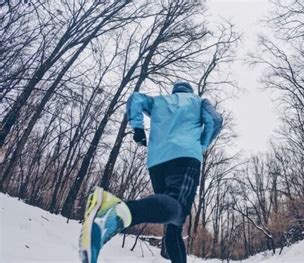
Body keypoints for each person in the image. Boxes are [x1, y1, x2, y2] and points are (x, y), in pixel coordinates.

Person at [79, 80, 223, 263]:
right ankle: (116, 211)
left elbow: (135, 99)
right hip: (185, 157)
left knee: (173, 226)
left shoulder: (159, 101)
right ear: (190, 91)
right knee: (177, 210)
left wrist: (138, 128)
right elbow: (215, 120)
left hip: (157, 162)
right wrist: (202, 143)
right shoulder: (198, 101)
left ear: (175, 90)